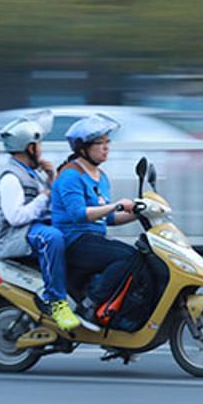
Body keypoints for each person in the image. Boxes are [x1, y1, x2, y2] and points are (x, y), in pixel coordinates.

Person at [0, 110, 96, 332]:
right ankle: (55, 302)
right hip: (16, 236)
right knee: (53, 237)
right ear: (30, 147)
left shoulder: (31, 173)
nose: (41, 150)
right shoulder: (11, 178)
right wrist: (45, 195)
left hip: (34, 228)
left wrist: (51, 179)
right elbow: (16, 217)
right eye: (38, 145)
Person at [51, 115, 139, 327]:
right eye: (100, 143)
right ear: (83, 148)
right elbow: (78, 214)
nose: (106, 148)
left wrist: (139, 212)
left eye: (107, 142)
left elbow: (108, 218)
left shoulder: (101, 176)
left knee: (143, 258)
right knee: (129, 257)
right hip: (74, 240)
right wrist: (116, 205)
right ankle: (91, 304)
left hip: (93, 239)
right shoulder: (71, 175)